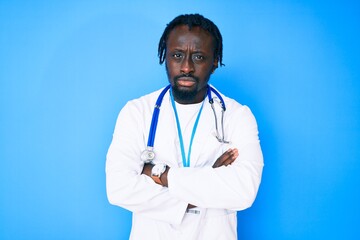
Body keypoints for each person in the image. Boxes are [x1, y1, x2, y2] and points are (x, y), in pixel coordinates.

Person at [106, 13, 264, 240]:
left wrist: (162, 175)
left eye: (198, 57)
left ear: (215, 61)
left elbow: (244, 192)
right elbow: (118, 187)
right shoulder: (137, 112)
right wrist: (208, 184)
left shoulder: (237, 116)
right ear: (165, 57)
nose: (187, 67)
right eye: (177, 55)